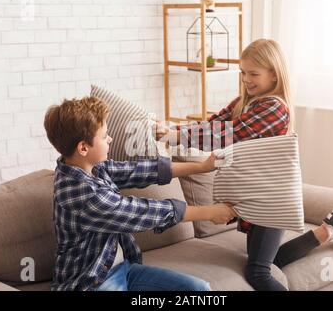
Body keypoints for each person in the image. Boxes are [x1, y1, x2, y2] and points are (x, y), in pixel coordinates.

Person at [155, 39, 333, 291]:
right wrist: (173, 130)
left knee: (258, 272)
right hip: (253, 194)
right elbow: (214, 122)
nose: (246, 79)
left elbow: (231, 133)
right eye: (242, 73)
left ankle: (329, 231)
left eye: (253, 74)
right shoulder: (245, 101)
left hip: (272, 197)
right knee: (267, 262)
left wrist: (176, 136)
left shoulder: (276, 108)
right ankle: (328, 231)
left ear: (274, 75)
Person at [43, 96, 237, 291]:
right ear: (83, 147)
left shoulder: (94, 168)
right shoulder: (78, 193)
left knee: (199, 290)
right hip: (90, 283)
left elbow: (140, 170)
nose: (110, 139)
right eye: (104, 136)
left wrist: (202, 167)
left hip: (124, 270)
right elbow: (141, 212)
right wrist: (209, 213)